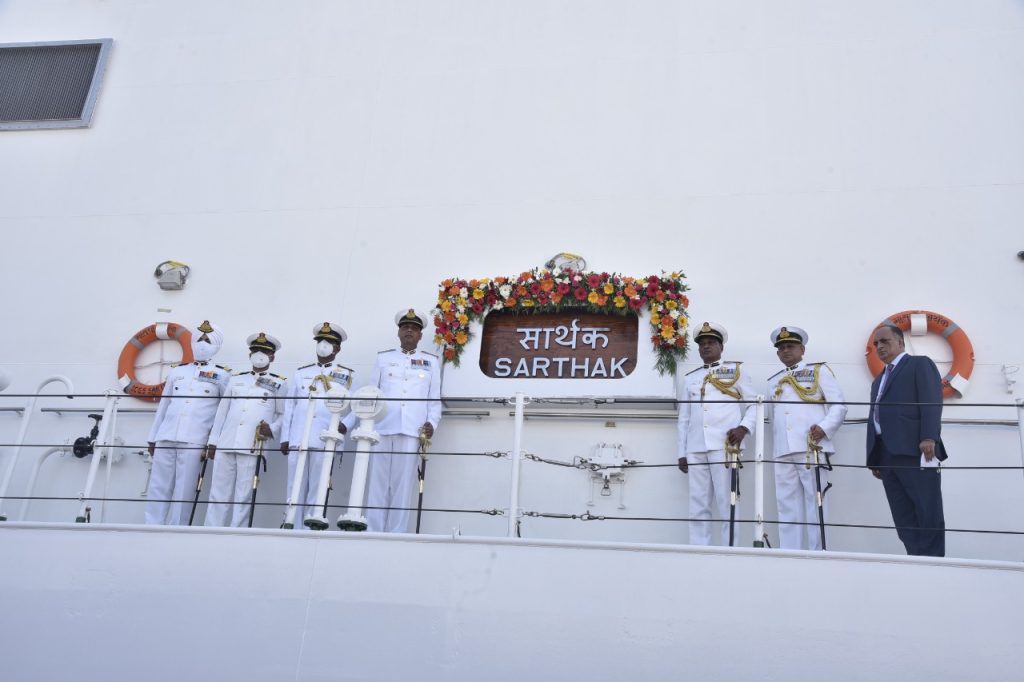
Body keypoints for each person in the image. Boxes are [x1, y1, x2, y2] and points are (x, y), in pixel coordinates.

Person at [344, 308, 441, 533]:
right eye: (405, 327)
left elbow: (434, 401)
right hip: (381, 428)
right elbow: (371, 394)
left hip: (412, 430)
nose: (410, 331)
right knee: (377, 484)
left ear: (420, 335)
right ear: (399, 332)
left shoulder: (431, 362)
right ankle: (373, 530)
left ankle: (397, 532)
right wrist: (353, 421)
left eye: (415, 328)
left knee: (402, 485)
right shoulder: (384, 358)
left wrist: (432, 424)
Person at [866, 324, 948, 557]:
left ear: (900, 342)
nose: (880, 347)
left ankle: (933, 562)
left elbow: (931, 400)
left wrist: (928, 436)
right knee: (902, 515)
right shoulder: (878, 380)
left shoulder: (919, 364)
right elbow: (875, 418)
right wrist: (874, 457)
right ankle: (915, 559)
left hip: (917, 451)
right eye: (876, 344)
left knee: (927, 510)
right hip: (887, 456)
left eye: (884, 341)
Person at [765, 326, 847, 550]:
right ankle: (789, 551)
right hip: (783, 449)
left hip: (811, 446)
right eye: (781, 348)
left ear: (802, 349)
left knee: (816, 500)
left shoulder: (819, 371)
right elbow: (774, 418)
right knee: (786, 503)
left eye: (790, 346)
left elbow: (838, 406)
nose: (785, 351)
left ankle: (817, 552)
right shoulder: (773, 381)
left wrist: (824, 428)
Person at [677, 322, 756, 546]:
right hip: (695, 447)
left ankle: (730, 549)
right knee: (698, 502)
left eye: (711, 343)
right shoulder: (691, 378)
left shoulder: (736, 371)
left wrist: (744, 428)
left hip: (724, 445)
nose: (705, 347)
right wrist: (681, 452)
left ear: (721, 347)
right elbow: (684, 417)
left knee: (727, 501)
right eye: (702, 344)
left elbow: (755, 405)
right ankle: (698, 549)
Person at [145, 321, 231, 525]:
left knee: (184, 488)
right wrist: (153, 437)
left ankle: (177, 528)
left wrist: (213, 441)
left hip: (194, 439)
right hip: (166, 435)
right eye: (199, 339)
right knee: (158, 486)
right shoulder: (177, 372)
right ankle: (151, 525)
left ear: (216, 346)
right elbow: (164, 407)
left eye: (207, 340)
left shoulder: (222, 375)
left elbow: (222, 412)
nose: (202, 344)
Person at [204, 333, 287, 528]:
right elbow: (222, 413)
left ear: (272, 357)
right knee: (218, 492)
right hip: (226, 442)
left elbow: (284, 414)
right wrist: (213, 442)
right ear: (250, 354)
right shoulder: (235, 380)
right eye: (256, 350)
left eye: (265, 351)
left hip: (252, 444)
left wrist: (272, 429)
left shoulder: (280, 383)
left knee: (244, 494)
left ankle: (237, 531)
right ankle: (210, 529)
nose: (260, 354)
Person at [280, 322, 353, 527]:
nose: (323, 345)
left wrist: (345, 425)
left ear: (337, 348)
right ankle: (290, 526)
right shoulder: (301, 372)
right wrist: (285, 437)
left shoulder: (345, 374)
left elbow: (354, 405)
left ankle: (308, 530)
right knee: (294, 488)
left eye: (329, 342)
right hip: (298, 438)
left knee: (317, 489)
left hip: (325, 439)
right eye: (321, 341)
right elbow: (290, 406)